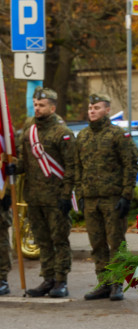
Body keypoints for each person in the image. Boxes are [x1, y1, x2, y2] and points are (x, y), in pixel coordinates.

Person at [76, 93, 138, 301]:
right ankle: (103, 284)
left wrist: (126, 195)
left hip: (112, 199)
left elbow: (130, 165)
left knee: (116, 244)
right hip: (91, 200)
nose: (92, 111)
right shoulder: (83, 136)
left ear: (107, 110)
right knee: (97, 245)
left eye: (96, 107)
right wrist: (80, 194)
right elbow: (78, 168)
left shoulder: (117, 135)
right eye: (90, 107)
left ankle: (117, 285)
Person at [17, 88, 77, 299]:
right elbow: (24, 161)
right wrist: (13, 168)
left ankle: (61, 281)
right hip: (34, 196)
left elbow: (71, 167)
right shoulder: (29, 131)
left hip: (55, 197)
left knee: (59, 239)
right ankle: (48, 278)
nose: (37, 108)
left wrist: (66, 195)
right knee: (42, 240)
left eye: (41, 105)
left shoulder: (63, 133)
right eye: (35, 104)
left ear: (52, 107)